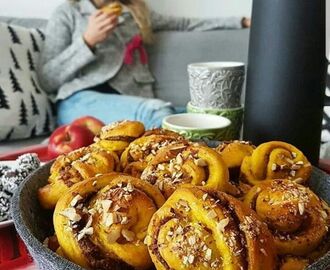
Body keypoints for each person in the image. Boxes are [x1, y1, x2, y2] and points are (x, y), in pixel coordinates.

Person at [37, 0, 250, 129]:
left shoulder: (136, 14)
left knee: (209, 118)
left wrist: (239, 21)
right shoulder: (67, 13)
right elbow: (47, 79)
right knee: (157, 113)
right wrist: (87, 41)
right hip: (78, 101)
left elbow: (186, 24)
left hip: (131, 102)